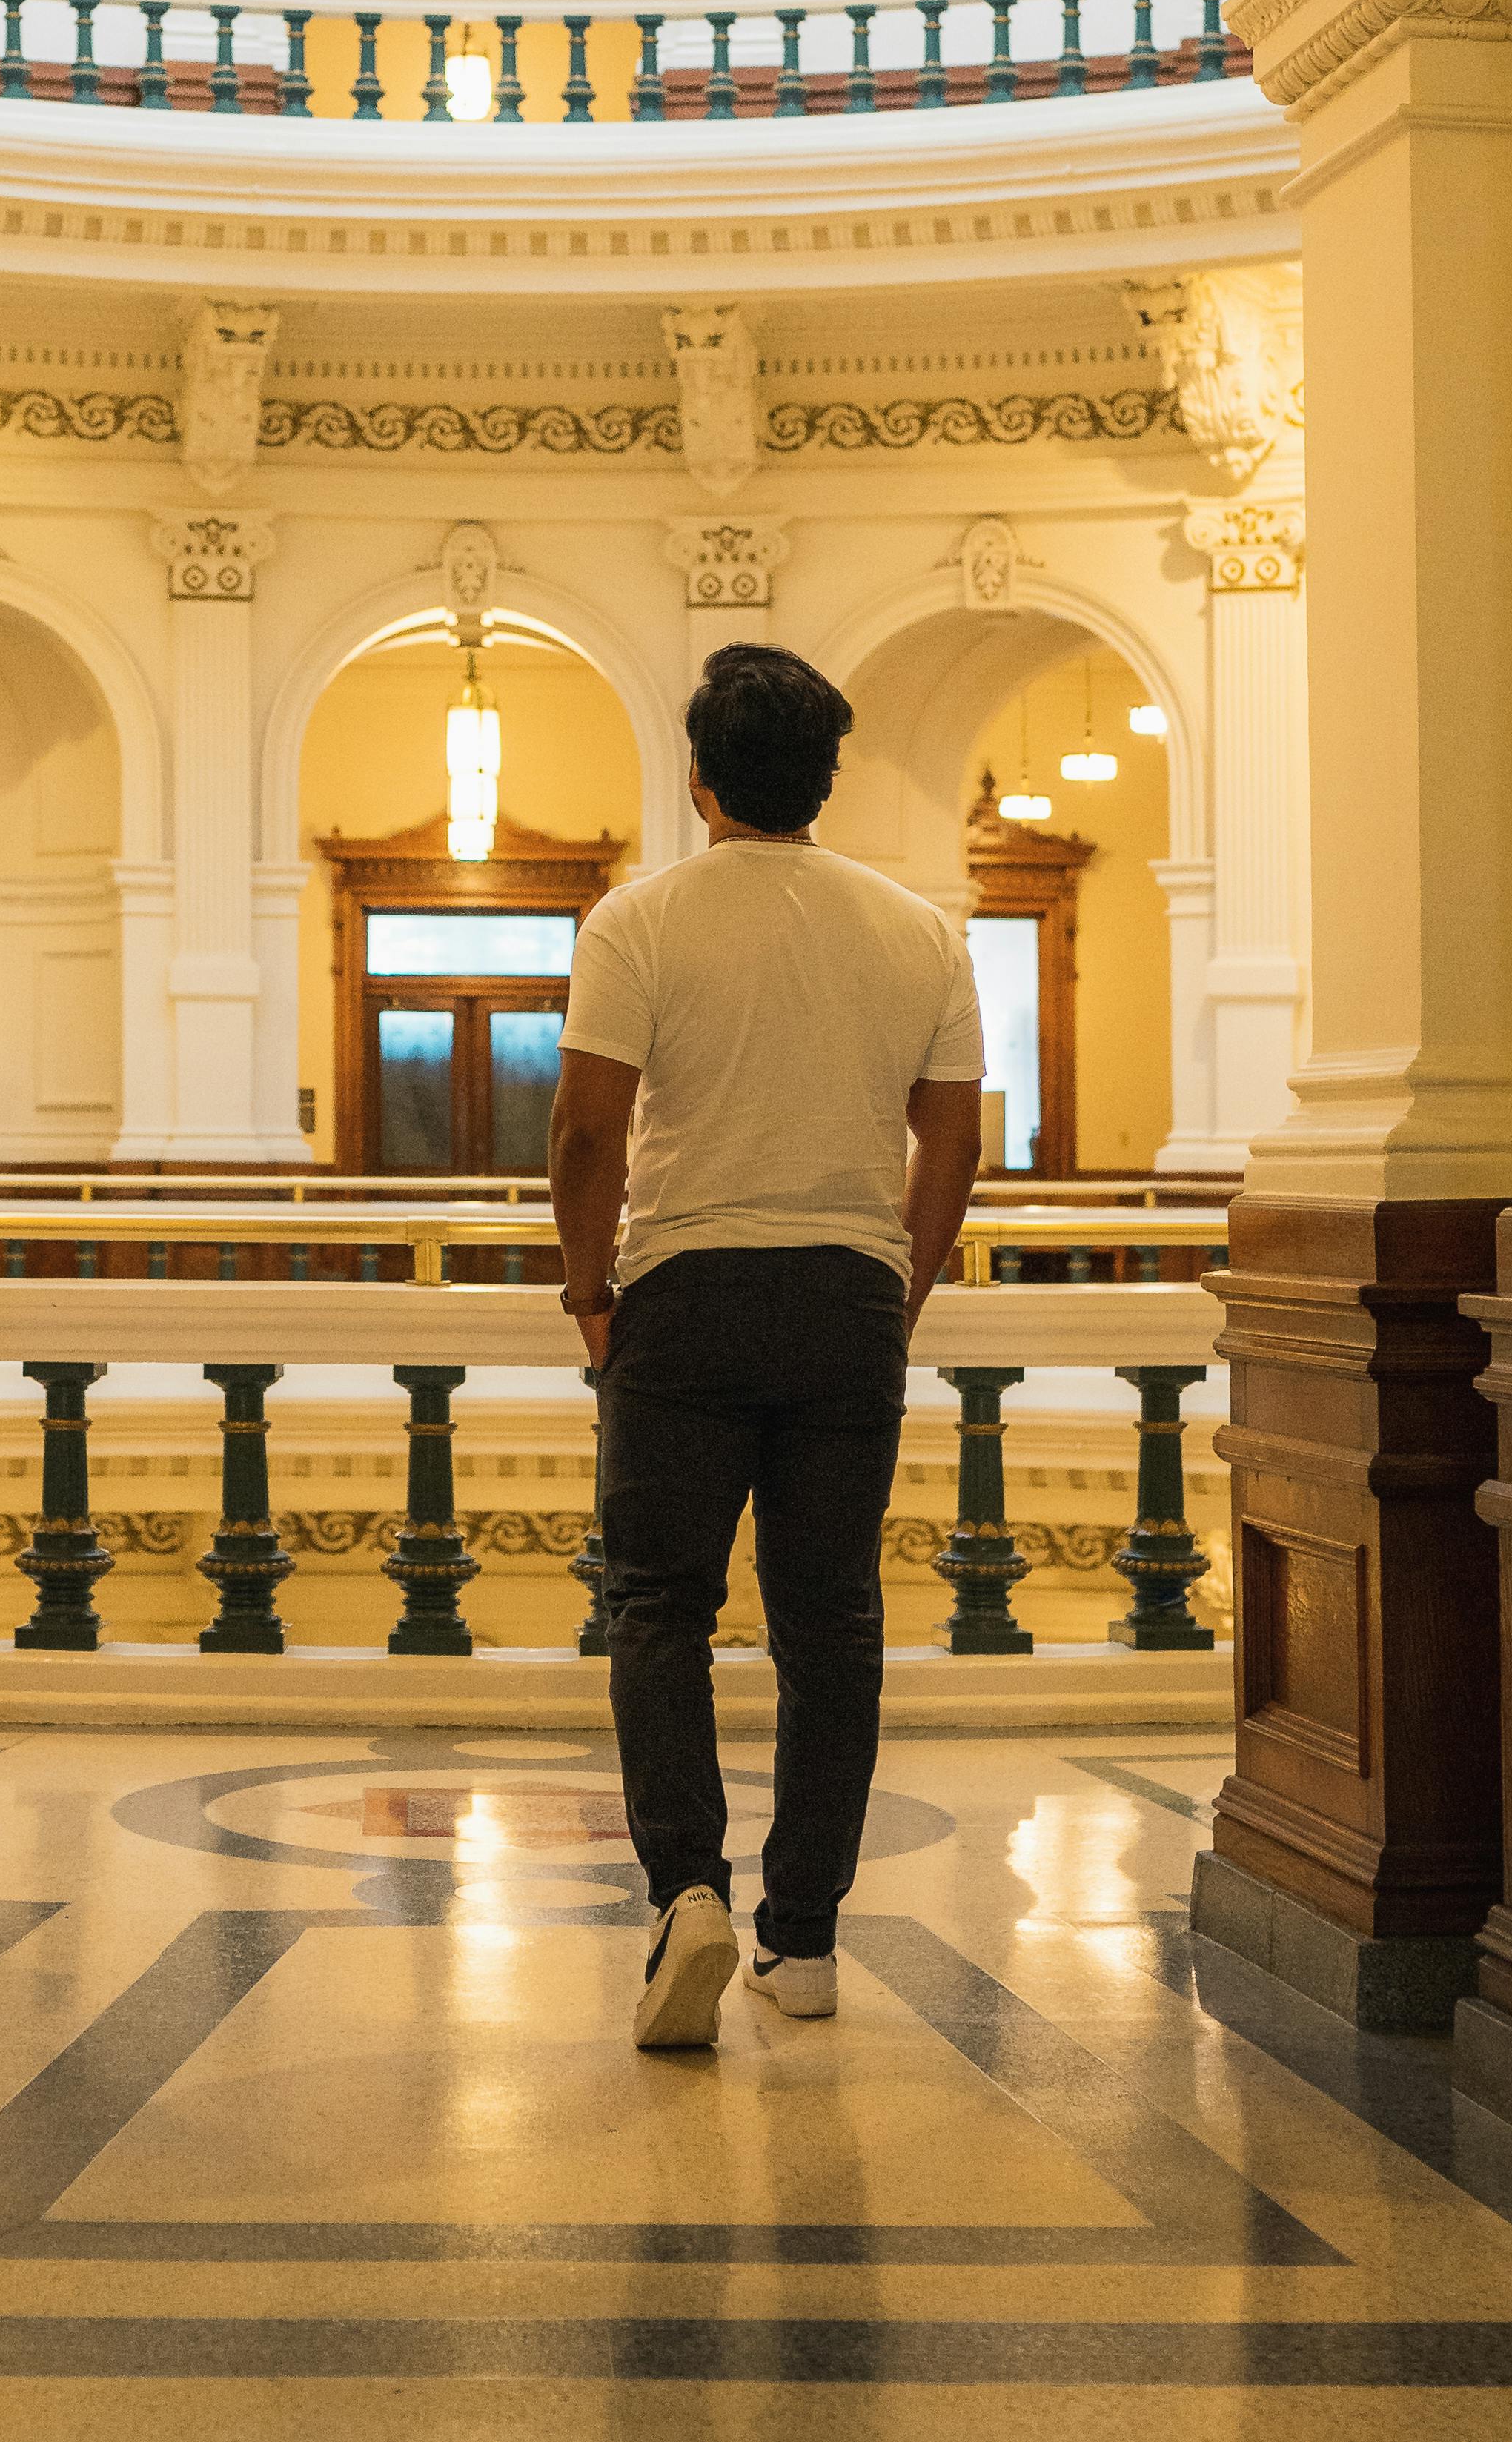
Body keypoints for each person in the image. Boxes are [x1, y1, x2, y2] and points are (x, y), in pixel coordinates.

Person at [547, 640, 985, 2051]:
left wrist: (589, 1297)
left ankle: (686, 1891)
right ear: (824, 776)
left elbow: (584, 1135)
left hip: (683, 1291)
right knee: (829, 1621)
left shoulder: (640, 920)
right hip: (846, 1297)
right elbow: (955, 1141)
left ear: (699, 777)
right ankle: (805, 1940)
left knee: (660, 1605)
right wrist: (897, 1287)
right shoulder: (917, 928)